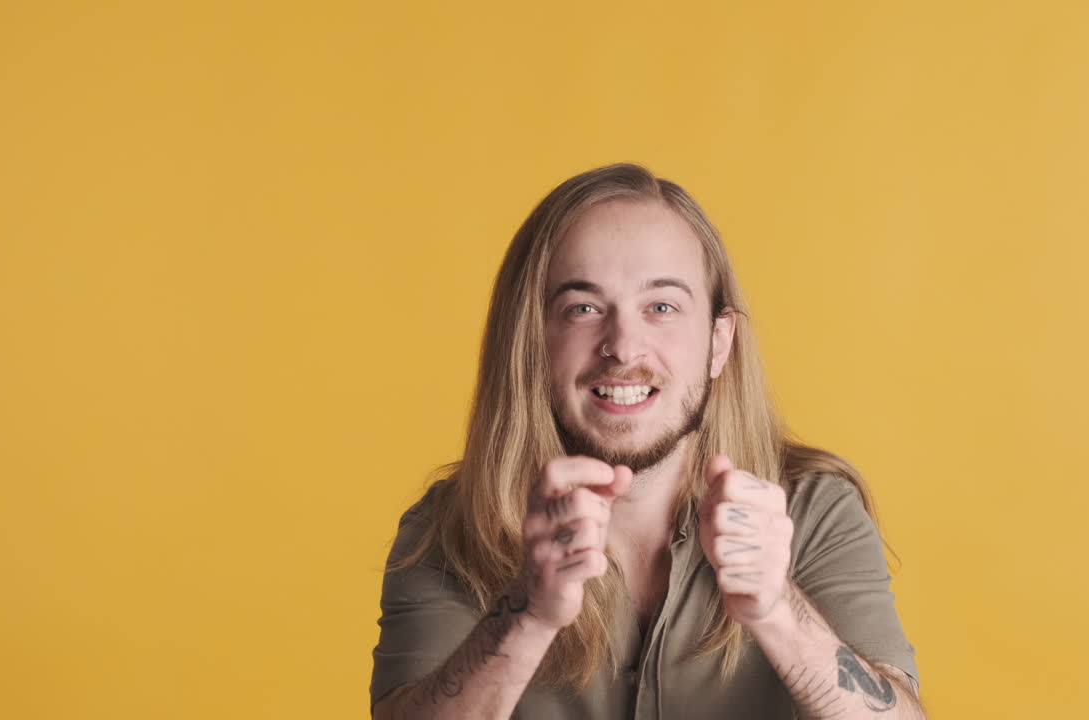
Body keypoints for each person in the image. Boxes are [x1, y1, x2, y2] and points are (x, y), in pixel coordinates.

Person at [369, 163, 924, 719]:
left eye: (661, 307)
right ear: (531, 342)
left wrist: (778, 608)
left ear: (718, 343)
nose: (624, 347)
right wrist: (527, 613)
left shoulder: (815, 510)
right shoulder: (448, 529)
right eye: (583, 308)